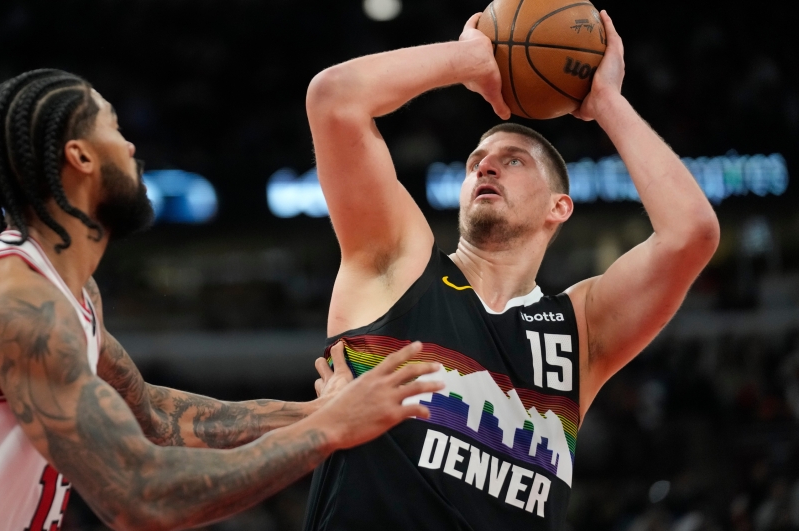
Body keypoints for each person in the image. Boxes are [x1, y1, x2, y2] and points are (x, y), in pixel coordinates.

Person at [0, 69, 446, 531]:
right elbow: (138, 497)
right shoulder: (12, 299)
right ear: (81, 156)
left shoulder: (70, 293)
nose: (133, 146)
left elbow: (156, 420)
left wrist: (316, 412)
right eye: (115, 127)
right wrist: (327, 433)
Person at [303, 11, 719, 531]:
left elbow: (691, 235)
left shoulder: (580, 331)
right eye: (476, 161)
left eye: (514, 160)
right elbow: (334, 101)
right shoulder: (398, 264)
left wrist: (608, 103)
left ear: (558, 208)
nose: (486, 166)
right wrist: (467, 61)